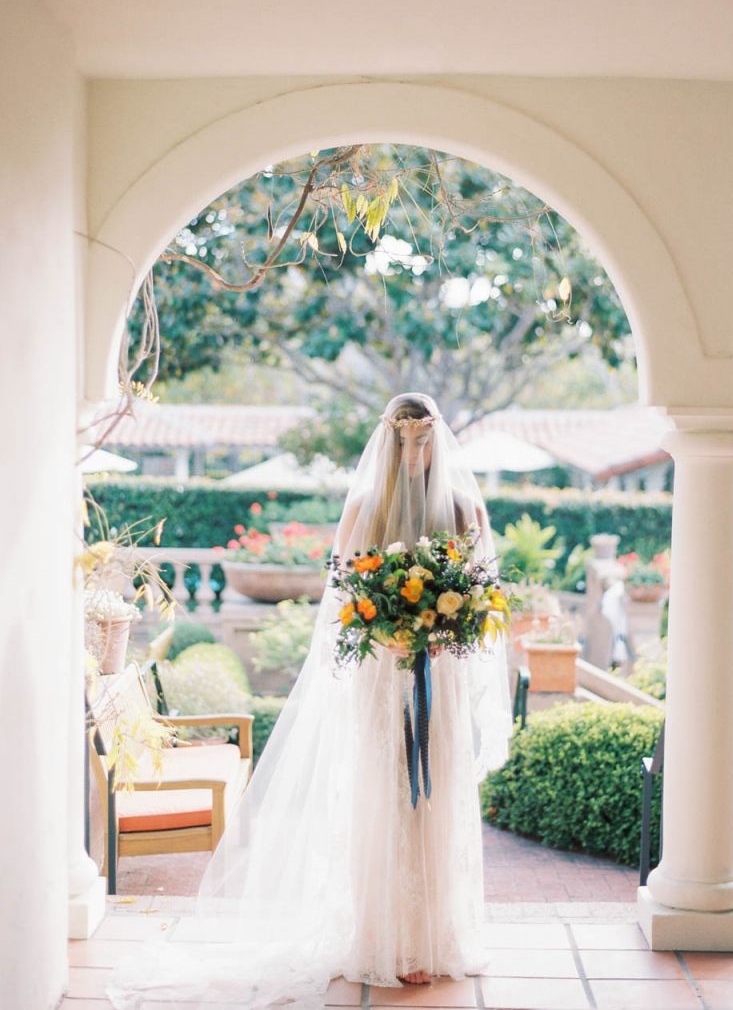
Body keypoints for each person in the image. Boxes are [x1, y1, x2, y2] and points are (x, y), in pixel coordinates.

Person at [108, 392, 511, 1009]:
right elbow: (347, 602)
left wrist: (428, 628)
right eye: (408, 440)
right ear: (400, 439)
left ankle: (429, 938)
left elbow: (471, 599)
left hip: (425, 675)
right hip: (390, 676)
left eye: (418, 441)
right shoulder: (381, 506)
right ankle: (387, 939)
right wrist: (405, 629)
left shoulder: (455, 506)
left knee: (431, 795)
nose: (412, 453)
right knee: (389, 798)